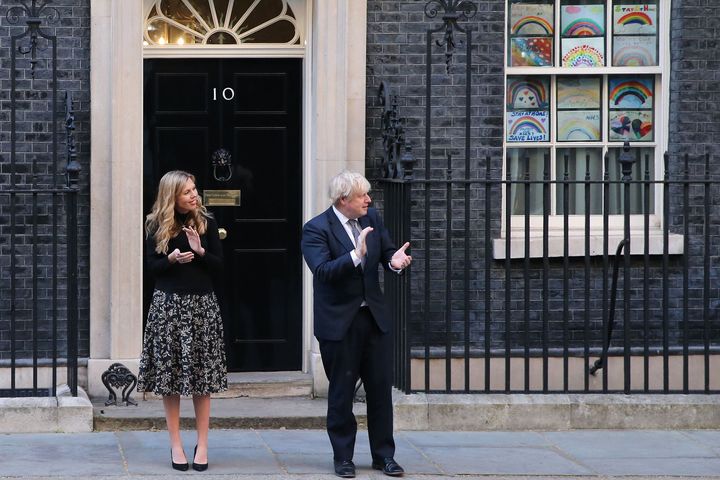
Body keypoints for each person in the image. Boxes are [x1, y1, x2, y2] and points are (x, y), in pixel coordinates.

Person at [301, 170, 412, 478]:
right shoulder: (316, 229)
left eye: (367, 194)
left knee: (380, 391)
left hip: (372, 318)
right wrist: (355, 254)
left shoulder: (371, 217)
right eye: (362, 195)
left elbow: (387, 251)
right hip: (339, 324)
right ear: (343, 200)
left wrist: (394, 262)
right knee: (341, 392)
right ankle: (344, 458)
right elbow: (322, 270)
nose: (368, 199)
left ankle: (384, 456)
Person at [137, 170, 227, 472]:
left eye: (195, 189)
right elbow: (153, 269)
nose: (194, 195)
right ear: (172, 195)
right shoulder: (156, 224)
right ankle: (176, 443)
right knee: (170, 379)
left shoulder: (206, 222)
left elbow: (219, 266)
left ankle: (202, 443)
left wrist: (200, 251)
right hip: (169, 306)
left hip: (202, 306)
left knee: (202, 380)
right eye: (188, 191)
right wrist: (172, 259)